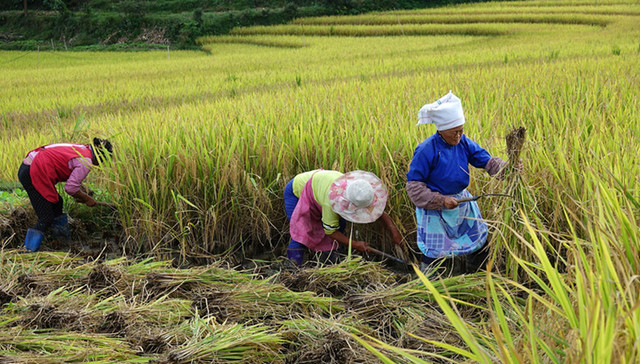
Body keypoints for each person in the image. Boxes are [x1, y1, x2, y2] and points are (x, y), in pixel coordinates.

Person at [406, 91, 517, 275]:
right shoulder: (427, 149)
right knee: (435, 252)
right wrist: (441, 200)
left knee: (478, 240)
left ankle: (478, 275)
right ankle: (430, 284)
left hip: (461, 202)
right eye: (454, 132)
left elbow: (486, 160)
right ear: (441, 129)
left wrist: (508, 169)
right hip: (435, 207)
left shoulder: (463, 142)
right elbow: (414, 187)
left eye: (461, 130)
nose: (458, 136)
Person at [284, 169, 403, 266]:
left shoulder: (359, 190)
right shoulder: (331, 202)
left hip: (320, 187)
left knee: (340, 225)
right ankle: (292, 269)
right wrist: (355, 244)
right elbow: (330, 231)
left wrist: (394, 231)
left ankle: (328, 261)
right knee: (303, 232)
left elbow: (376, 210)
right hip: (297, 191)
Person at [18, 138, 113, 252]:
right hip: (34, 172)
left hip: (30, 166)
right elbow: (70, 188)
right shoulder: (86, 161)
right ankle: (28, 250)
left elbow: (68, 168)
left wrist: (82, 191)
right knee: (45, 217)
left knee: (58, 203)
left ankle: (62, 241)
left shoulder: (83, 149)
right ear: (100, 157)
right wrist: (87, 199)